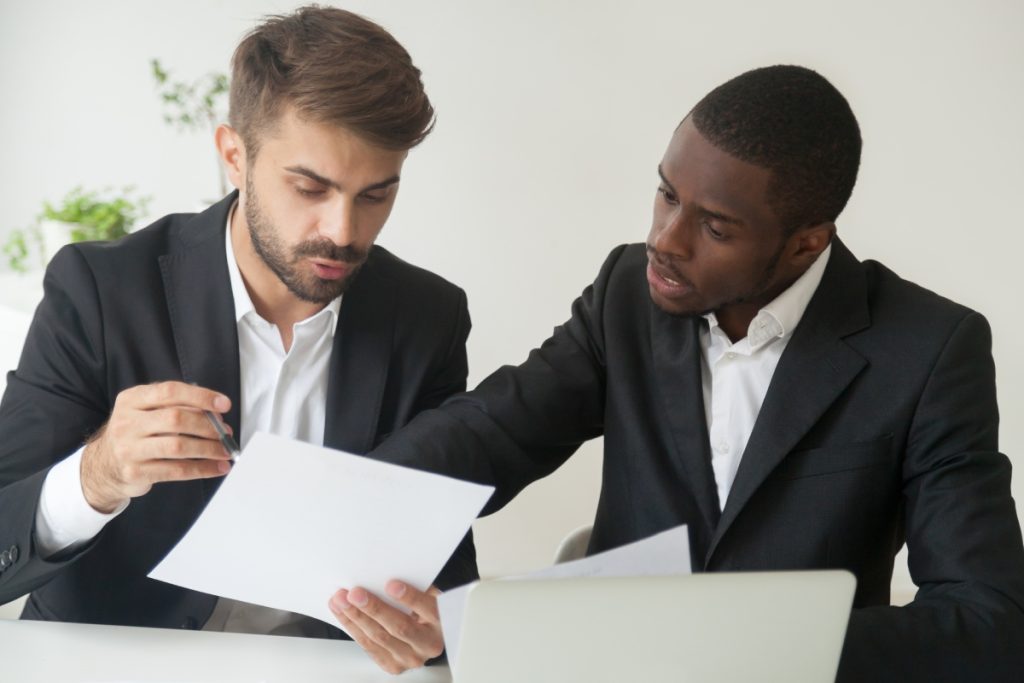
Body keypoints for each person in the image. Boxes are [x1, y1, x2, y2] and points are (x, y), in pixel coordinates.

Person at [351, 65, 1024, 681]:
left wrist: (734, 647)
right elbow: (487, 433)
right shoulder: (627, 293)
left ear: (806, 241)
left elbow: (988, 620)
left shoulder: (929, 350)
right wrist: (332, 510)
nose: (665, 240)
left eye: (716, 227)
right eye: (666, 194)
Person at [0, 5, 472, 674]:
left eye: (376, 195)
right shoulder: (101, 291)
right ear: (234, 156)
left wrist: (435, 627)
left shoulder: (428, 319)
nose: (342, 230)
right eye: (310, 187)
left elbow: (445, 578)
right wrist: (96, 474)